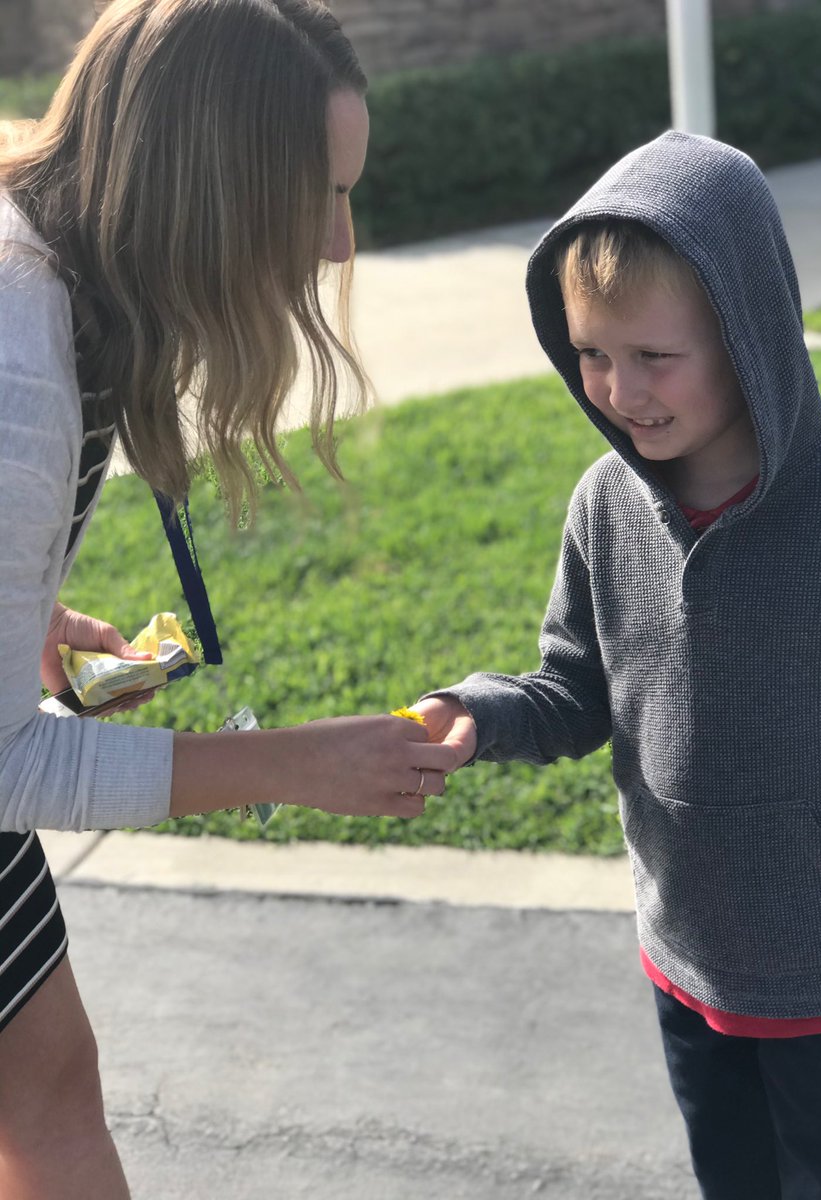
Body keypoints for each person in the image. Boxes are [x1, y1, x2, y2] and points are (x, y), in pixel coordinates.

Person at [0, 1, 455, 1195]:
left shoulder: (47, 275)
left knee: (46, 1092)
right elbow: (0, 771)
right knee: (46, 1107)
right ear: (210, 185)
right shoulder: (20, 342)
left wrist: (24, 622)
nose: (341, 247)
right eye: (321, 196)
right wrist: (286, 764)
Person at [411, 132, 821, 1199]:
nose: (618, 388)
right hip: (687, 964)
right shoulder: (603, 505)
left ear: (749, 335)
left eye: (654, 357)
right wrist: (476, 715)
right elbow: (573, 690)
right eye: (592, 353)